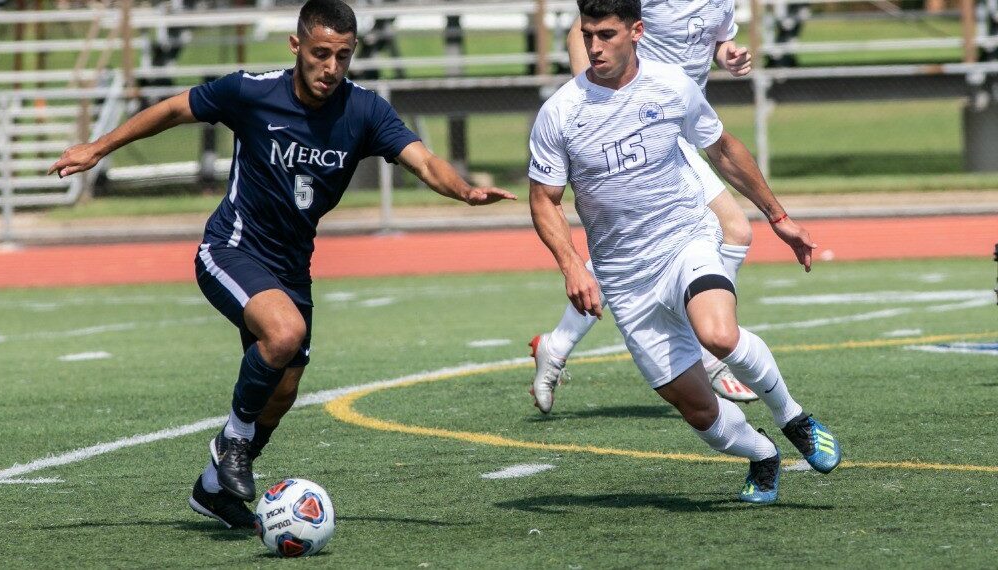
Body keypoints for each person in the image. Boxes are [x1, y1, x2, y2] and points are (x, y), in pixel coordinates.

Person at [49, 0, 515, 529]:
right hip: (231, 249)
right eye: (320, 54)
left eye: (343, 56)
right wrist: (98, 147)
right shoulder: (252, 90)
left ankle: (212, 492)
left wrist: (465, 191)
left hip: (292, 268)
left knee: (284, 389)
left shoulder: (364, 111)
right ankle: (232, 444)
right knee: (284, 332)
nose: (331, 68)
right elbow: (176, 109)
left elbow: (423, 159)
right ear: (296, 47)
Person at [528, 0, 840, 503]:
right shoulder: (561, 112)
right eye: (588, 35)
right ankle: (762, 454)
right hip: (625, 276)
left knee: (718, 334)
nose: (593, 46)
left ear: (637, 32)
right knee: (700, 413)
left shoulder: (673, 86)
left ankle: (793, 418)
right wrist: (571, 264)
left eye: (605, 35)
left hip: (684, 240)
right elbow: (543, 199)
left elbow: (723, 150)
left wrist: (779, 217)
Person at [530, 0, 762, 412]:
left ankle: (558, 345)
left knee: (632, 247)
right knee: (735, 230)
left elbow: (718, 39)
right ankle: (712, 354)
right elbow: (581, 30)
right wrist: (593, 99)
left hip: (680, 123)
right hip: (651, 128)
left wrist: (729, 53)